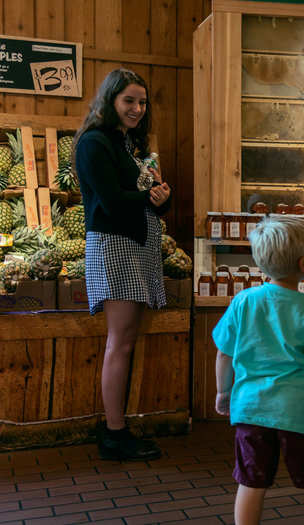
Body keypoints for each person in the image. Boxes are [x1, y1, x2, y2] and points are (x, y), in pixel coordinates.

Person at [212, 216, 304, 525]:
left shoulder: (243, 301)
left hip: (251, 408)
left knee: (251, 481)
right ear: (303, 263)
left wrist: (223, 391)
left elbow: (224, 353)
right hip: (301, 413)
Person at [74, 68, 171, 461]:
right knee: (119, 342)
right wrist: (151, 196)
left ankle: (118, 426)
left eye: (142, 102)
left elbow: (137, 196)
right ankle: (114, 433)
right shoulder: (94, 143)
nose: (136, 108)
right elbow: (111, 201)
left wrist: (159, 195)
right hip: (115, 247)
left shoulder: (123, 144)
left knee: (127, 340)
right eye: (129, 100)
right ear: (110, 100)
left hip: (134, 245)